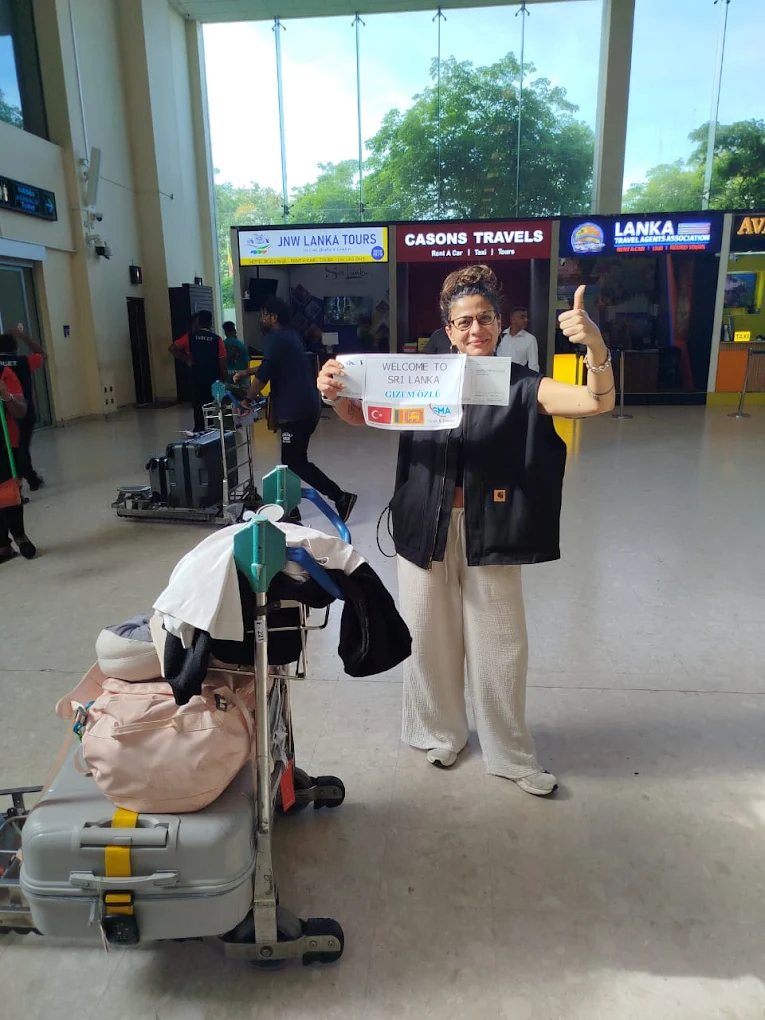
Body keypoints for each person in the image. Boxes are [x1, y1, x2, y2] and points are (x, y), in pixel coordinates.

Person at [317, 266, 615, 795]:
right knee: (428, 637)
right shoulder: (419, 379)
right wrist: (333, 392)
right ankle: (438, 732)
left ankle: (510, 752)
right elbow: (359, 413)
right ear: (448, 330)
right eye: (464, 322)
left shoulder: (521, 385)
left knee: (501, 646)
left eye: (485, 318)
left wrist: (594, 345)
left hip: (490, 532)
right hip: (422, 527)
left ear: (499, 324)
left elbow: (597, 401)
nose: (475, 329)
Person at [234, 296, 357, 523]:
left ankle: (341, 497)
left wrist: (247, 399)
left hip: (296, 410)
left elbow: (265, 373)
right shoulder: (291, 335)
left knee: (294, 461)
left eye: (264, 315)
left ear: (273, 317)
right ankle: (291, 509)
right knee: (289, 461)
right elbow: (273, 364)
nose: (261, 319)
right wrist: (246, 372)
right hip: (306, 406)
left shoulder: (275, 338)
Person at [0, 327, 46, 490]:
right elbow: (42, 355)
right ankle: (22, 482)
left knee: (10, 449)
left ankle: (24, 479)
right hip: (23, 411)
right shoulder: (24, 361)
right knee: (22, 447)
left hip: (3, 414)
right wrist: (25, 337)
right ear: (15, 348)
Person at [168, 309, 227, 432]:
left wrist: (186, 359)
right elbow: (222, 362)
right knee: (213, 405)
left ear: (198, 322)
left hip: (195, 377)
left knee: (197, 405)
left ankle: (199, 430)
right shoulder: (217, 339)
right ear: (210, 323)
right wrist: (224, 378)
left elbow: (172, 348)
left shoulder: (189, 337)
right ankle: (212, 430)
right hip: (213, 378)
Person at [0, 364, 36, 563]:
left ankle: (19, 535)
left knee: (8, 492)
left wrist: (5, 395)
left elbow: (21, 411)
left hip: (5, 444)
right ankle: (2, 545)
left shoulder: (4, 373)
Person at [497, 305, 539, 370]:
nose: (526, 320)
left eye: (526, 317)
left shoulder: (530, 339)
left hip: (518, 375)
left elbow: (533, 365)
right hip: (499, 372)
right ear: (513, 319)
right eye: (522, 317)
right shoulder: (500, 335)